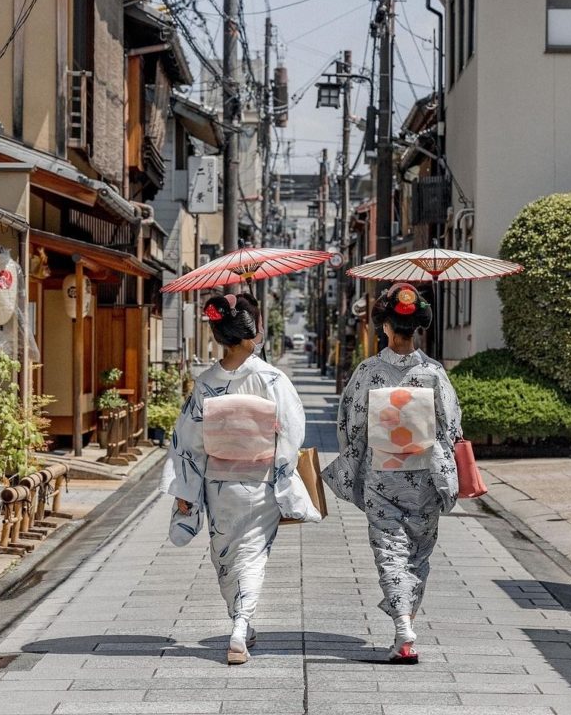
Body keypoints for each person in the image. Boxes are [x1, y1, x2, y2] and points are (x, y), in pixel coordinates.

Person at [160, 292, 321, 665]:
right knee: (252, 555)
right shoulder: (271, 378)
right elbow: (292, 431)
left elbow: (188, 442)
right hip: (261, 481)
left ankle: (240, 621)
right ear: (254, 331)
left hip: (219, 486)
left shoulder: (205, 383)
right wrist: (283, 473)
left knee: (226, 556)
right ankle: (240, 626)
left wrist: (186, 490)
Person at [323, 283, 461, 663]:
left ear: (385, 326)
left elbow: (350, 424)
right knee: (417, 553)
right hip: (426, 477)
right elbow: (451, 426)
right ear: (417, 329)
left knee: (390, 550)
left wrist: (356, 457)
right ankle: (405, 632)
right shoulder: (433, 373)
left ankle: (403, 627)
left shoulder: (368, 372)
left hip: (381, 476)